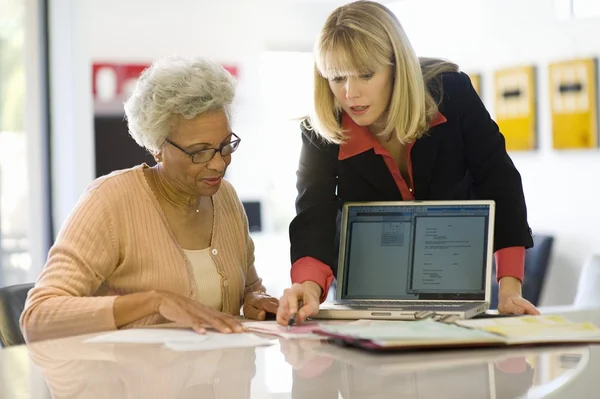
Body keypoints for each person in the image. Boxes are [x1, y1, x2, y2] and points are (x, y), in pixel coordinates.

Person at [277, 0, 539, 326]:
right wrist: (308, 288)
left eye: (366, 74)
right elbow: (313, 215)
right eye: (336, 77)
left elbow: (499, 180)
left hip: (456, 282)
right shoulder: (319, 130)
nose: (350, 93)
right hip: (371, 294)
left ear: (396, 66)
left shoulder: (452, 94)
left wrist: (510, 288)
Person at [20, 55, 279, 343]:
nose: (219, 164)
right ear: (157, 147)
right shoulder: (109, 202)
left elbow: (250, 288)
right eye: (199, 151)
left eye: (224, 146)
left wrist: (255, 299)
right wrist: (153, 301)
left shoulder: (226, 198)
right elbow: (38, 316)